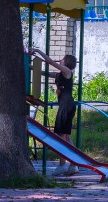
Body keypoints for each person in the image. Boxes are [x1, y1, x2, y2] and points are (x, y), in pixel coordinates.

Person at [32, 48, 79, 176]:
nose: (61, 60)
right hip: (65, 105)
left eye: (63, 59)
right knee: (65, 136)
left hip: (67, 105)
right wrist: (31, 67)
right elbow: (46, 73)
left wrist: (38, 51)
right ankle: (72, 163)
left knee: (60, 136)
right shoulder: (60, 74)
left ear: (67, 62)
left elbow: (51, 62)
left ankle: (65, 164)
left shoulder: (67, 71)